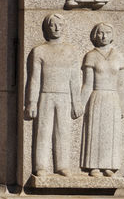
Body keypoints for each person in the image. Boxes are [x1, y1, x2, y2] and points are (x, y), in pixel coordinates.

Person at [24, 13, 83, 177]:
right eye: (53, 24)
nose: (57, 28)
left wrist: (76, 102)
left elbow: (74, 79)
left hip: (64, 96)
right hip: (46, 96)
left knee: (63, 131)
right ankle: (41, 165)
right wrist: (32, 102)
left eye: (60, 25)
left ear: (64, 28)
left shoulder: (70, 51)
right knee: (43, 130)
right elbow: (34, 78)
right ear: (46, 27)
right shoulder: (39, 51)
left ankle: (62, 165)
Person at [80, 22, 124, 177]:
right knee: (95, 132)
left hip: (112, 98)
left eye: (107, 32)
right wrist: (80, 104)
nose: (104, 36)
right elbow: (87, 84)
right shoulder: (91, 56)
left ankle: (109, 165)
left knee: (111, 133)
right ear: (95, 35)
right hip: (97, 96)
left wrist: (122, 104)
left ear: (112, 35)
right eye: (100, 33)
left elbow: (121, 84)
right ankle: (93, 166)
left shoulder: (118, 56)